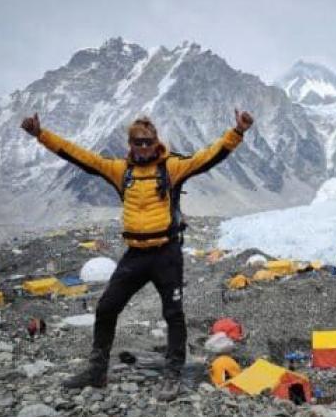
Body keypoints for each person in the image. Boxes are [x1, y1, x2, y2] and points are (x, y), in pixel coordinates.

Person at [21, 109, 254, 400]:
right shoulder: (121, 171)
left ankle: (172, 375)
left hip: (166, 254)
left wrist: (238, 132)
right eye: (138, 142)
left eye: (148, 142)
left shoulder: (171, 167)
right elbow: (80, 156)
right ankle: (97, 372)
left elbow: (207, 157)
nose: (143, 147)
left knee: (173, 314)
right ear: (130, 144)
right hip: (135, 255)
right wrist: (41, 135)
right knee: (106, 307)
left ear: (156, 142)